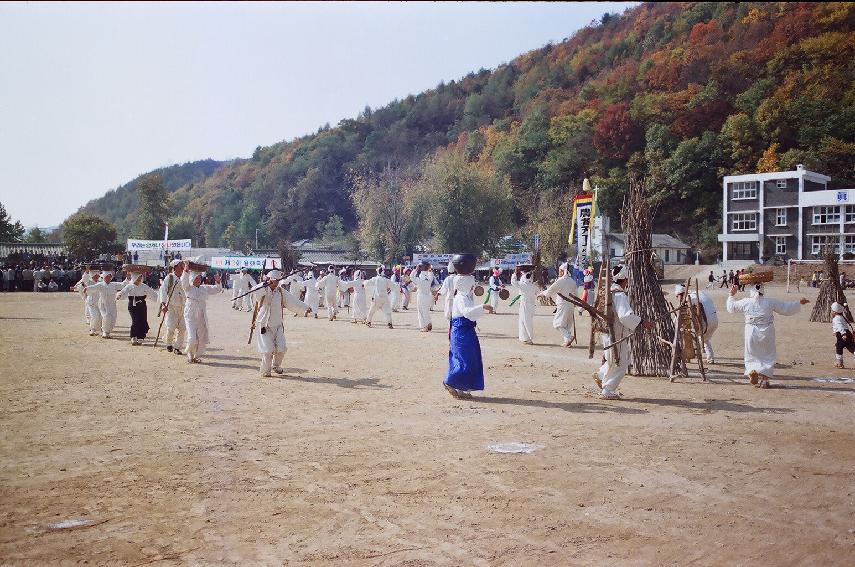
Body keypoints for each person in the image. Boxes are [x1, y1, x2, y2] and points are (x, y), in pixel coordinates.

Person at [726, 281, 808, 389]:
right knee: (767, 355)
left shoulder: (745, 302)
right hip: (767, 331)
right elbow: (786, 308)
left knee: (751, 354)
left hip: (751, 331)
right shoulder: (770, 302)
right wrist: (799, 303)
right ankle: (764, 381)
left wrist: (731, 295)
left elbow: (731, 308)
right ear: (762, 290)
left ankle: (752, 371)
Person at [593, 265, 653, 400]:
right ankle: (607, 390)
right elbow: (625, 316)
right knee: (621, 364)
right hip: (616, 333)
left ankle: (601, 375)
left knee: (612, 360)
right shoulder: (619, 294)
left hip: (608, 332)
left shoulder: (609, 291)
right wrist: (642, 322)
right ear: (625, 279)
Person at [444, 254, 494, 399]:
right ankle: (450, 382)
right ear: (465, 284)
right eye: (471, 285)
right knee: (464, 359)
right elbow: (467, 312)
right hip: (460, 331)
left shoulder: (464, 295)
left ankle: (462, 388)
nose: (473, 287)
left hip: (465, 330)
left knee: (470, 358)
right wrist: (483, 306)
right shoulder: (460, 297)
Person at [253, 270, 311, 377]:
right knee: (267, 350)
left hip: (278, 324)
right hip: (264, 325)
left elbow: (293, 301)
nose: (275, 283)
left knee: (282, 348)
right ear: (269, 279)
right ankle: (266, 370)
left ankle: (276, 365)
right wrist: (263, 284)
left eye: (277, 281)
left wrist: (305, 308)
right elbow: (255, 293)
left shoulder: (281, 292)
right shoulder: (263, 289)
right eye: (273, 280)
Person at [180, 262, 223, 363]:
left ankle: (194, 355)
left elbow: (217, 289)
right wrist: (186, 269)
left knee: (200, 337)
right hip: (190, 314)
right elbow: (184, 281)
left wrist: (217, 281)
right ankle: (189, 352)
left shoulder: (204, 288)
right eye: (196, 278)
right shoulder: (188, 288)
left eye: (199, 278)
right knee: (192, 337)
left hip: (201, 315)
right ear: (192, 279)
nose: (198, 280)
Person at [674, 283, 719, 364]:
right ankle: (710, 357)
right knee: (705, 338)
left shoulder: (689, 298)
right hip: (715, 320)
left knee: (694, 336)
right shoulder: (698, 293)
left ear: (681, 295)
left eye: (677, 296)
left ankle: (691, 355)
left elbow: (681, 313)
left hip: (706, 321)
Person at [539, 262, 577, 347]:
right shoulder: (573, 281)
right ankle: (567, 341)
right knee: (566, 325)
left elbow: (550, 290)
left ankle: (569, 337)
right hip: (571, 305)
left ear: (563, 271)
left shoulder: (560, 281)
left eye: (560, 270)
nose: (559, 272)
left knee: (557, 324)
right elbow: (576, 295)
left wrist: (542, 293)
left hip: (563, 305)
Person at [117, 269, 159, 345]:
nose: (139, 279)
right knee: (135, 320)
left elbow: (151, 293)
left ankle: (141, 337)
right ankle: (133, 336)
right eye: (137, 278)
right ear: (134, 277)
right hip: (132, 305)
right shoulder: (129, 286)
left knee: (142, 320)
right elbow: (123, 291)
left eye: (140, 277)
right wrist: (119, 295)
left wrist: (159, 298)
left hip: (142, 305)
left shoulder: (144, 286)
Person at [158, 259, 187, 354]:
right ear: (175, 267)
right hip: (171, 307)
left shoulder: (185, 277)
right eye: (180, 265)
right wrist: (163, 304)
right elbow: (162, 291)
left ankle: (177, 347)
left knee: (183, 328)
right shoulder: (169, 278)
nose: (182, 267)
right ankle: (169, 343)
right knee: (171, 327)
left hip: (183, 307)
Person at [511, 266, 538, 345]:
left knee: (525, 321)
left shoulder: (523, 285)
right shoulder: (533, 286)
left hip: (525, 304)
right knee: (524, 321)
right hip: (531, 304)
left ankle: (528, 338)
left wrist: (515, 273)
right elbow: (538, 292)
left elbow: (513, 282)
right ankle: (524, 338)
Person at [94, 271, 125, 338]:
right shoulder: (100, 284)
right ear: (104, 277)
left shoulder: (114, 284)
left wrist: (128, 278)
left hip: (112, 304)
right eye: (106, 277)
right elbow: (93, 287)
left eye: (109, 277)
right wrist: (86, 288)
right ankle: (105, 332)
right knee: (106, 316)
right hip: (103, 303)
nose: (108, 278)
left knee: (113, 318)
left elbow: (123, 285)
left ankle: (108, 331)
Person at [410, 262, 436, 332]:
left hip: (421, 296)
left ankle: (424, 327)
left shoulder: (419, 279)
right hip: (428, 296)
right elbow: (431, 274)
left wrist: (416, 269)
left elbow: (411, 277)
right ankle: (428, 322)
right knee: (426, 311)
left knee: (421, 312)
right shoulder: (429, 278)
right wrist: (429, 270)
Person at [79, 271, 104, 336]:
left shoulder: (100, 282)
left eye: (97, 276)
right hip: (91, 303)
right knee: (95, 316)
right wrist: (87, 271)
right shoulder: (88, 281)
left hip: (99, 302)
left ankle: (98, 329)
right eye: (95, 276)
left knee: (100, 316)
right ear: (92, 276)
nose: (96, 277)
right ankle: (92, 329)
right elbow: (84, 279)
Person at [831, 302, 855, 368]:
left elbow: (840, 326)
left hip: (842, 335)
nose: (831, 312)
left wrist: (843, 334)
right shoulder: (841, 317)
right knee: (851, 347)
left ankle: (840, 364)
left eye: (832, 311)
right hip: (848, 333)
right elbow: (842, 326)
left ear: (835, 312)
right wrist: (835, 331)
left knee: (839, 347)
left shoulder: (836, 318)